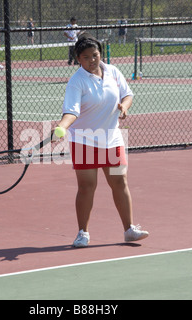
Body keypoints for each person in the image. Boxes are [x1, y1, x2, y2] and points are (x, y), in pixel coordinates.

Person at [53, 35, 149, 247]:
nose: (92, 60)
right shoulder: (76, 82)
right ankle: (83, 233)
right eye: (86, 57)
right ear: (79, 59)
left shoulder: (113, 71)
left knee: (120, 182)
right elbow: (71, 111)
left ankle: (129, 229)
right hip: (85, 143)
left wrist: (124, 106)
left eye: (95, 55)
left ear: (100, 54)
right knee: (87, 187)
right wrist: (62, 126)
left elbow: (128, 95)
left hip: (113, 141)